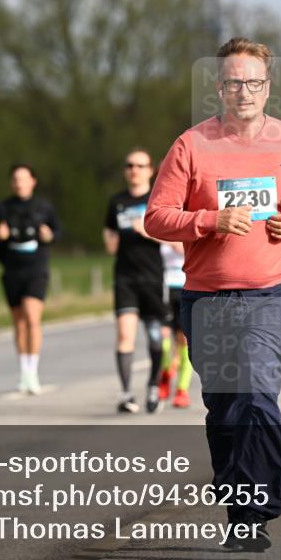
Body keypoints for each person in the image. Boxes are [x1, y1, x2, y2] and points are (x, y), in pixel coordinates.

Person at [145, 37, 281, 552]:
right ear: (219, 87)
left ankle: (256, 512)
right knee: (224, 409)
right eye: (232, 82)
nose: (242, 91)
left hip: (272, 293)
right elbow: (156, 218)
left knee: (255, 391)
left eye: (252, 82)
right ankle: (237, 506)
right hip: (206, 298)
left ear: (268, 88)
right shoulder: (191, 145)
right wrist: (209, 219)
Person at [104, 148, 167, 414]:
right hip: (125, 277)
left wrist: (149, 231)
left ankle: (153, 386)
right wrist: (112, 241)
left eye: (140, 166)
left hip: (153, 277)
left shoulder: (159, 200)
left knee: (155, 338)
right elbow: (109, 236)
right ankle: (127, 393)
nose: (134, 170)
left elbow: (175, 239)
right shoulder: (117, 202)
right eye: (130, 165)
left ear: (150, 170)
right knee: (124, 334)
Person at [0, 163, 60, 394]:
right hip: (12, 269)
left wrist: (49, 235)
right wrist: (0, 237)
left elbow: (57, 231)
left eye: (24, 178)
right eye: (16, 179)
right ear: (12, 183)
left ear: (33, 181)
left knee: (32, 316)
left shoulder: (43, 207)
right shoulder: (2, 208)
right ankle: (24, 372)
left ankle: (34, 370)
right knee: (19, 321)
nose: (20, 183)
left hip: (36, 268)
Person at [159, 242, 193, 409]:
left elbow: (183, 249)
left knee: (184, 342)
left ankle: (182, 390)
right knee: (162, 338)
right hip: (164, 288)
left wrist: (167, 239)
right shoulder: (163, 221)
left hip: (185, 286)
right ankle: (166, 372)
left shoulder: (186, 222)